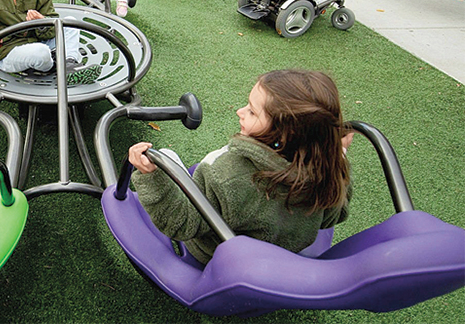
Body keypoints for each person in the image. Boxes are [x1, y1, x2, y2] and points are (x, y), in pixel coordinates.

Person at [128, 69, 353, 265]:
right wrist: (338, 154)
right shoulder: (327, 169)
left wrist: (152, 176)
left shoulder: (228, 176)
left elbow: (182, 223)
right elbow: (332, 217)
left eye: (252, 111)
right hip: (279, 257)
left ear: (283, 134)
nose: (240, 111)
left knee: (165, 156)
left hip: (218, 256)